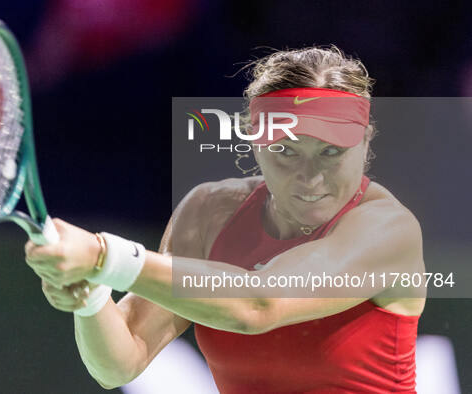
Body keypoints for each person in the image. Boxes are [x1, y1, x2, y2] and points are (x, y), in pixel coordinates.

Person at [25, 46, 425, 393]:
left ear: (366, 141)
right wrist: (92, 296)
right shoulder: (209, 211)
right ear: (255, 143)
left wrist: (102, 256)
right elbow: (119, 362)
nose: (311, 176)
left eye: (331, 152)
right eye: (287, 151)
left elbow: (258, 304)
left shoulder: (388, 229)